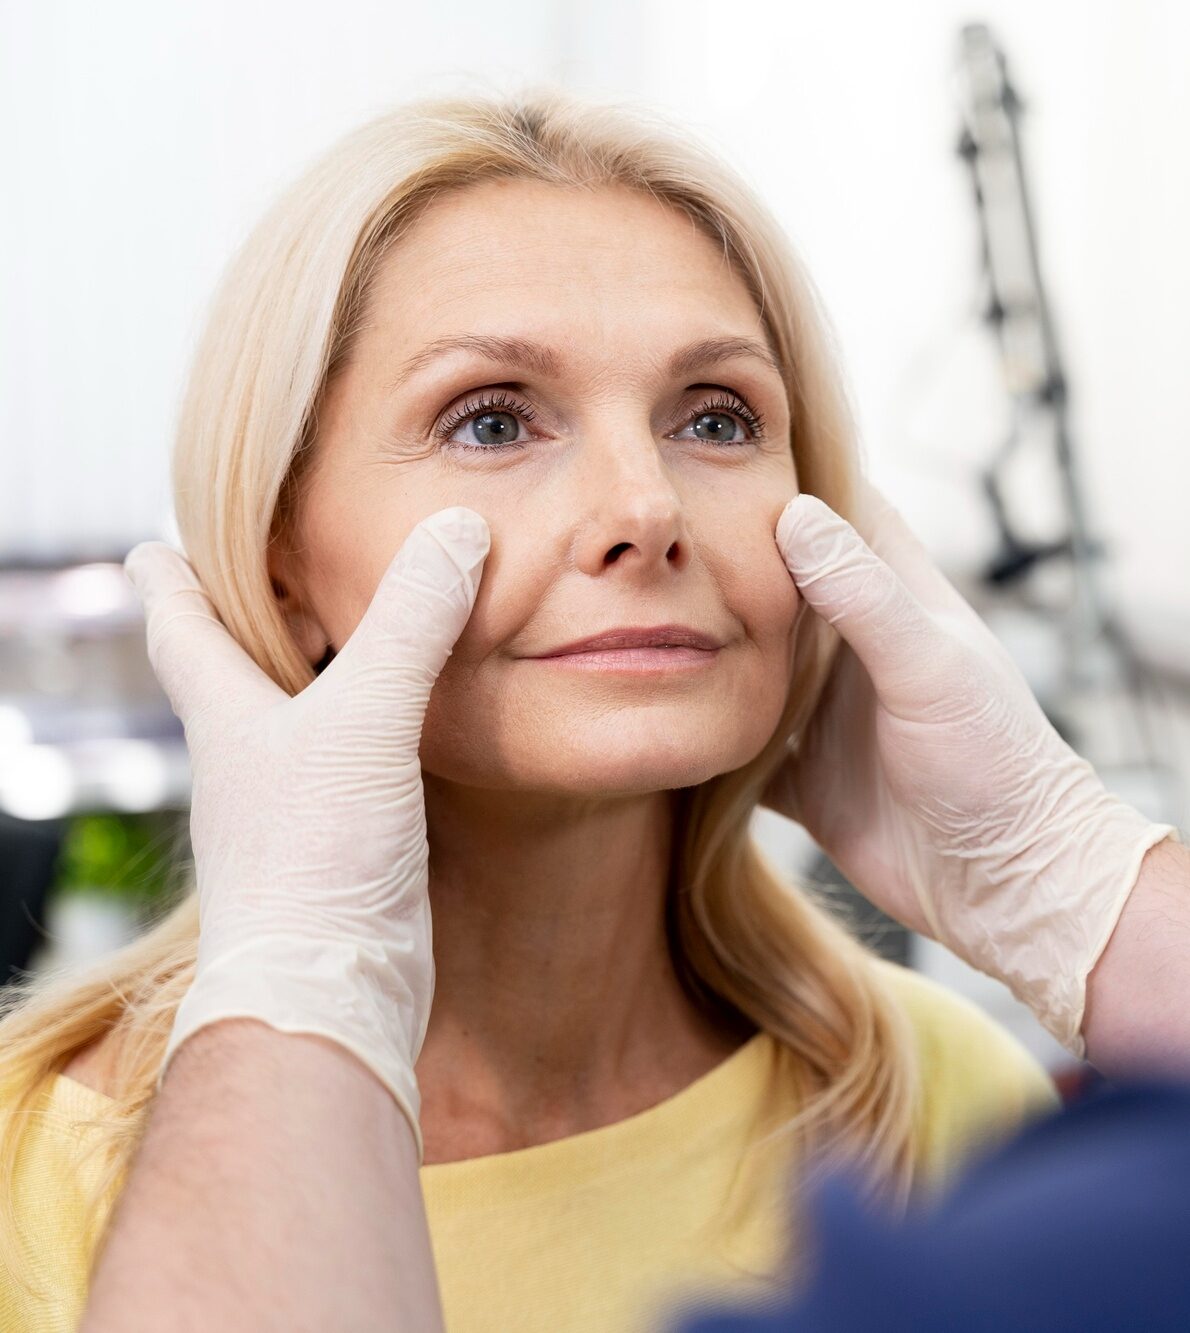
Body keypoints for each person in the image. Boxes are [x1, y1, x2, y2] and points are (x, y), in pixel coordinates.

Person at [0, 88, 1177, 1332]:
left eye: (715, 418)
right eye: (492, 419)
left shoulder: (931, 1100)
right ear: (285, 568)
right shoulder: (40, 1169)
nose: (645, 507)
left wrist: (1072, 881)